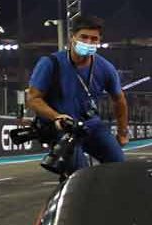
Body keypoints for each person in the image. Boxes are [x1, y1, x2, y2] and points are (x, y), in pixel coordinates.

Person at [25, 14, 128, 169]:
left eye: (94, 39)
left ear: (99, 41)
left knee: (118, 164)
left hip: (91, 125)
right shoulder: (50, 63)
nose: (88, 42)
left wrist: (122, 132)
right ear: (72, 37)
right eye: (84, 37)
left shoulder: (106, 68)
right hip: (63, 127)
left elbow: (119, 100)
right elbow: (33, 99)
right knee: (79, 171)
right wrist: (56, 116)